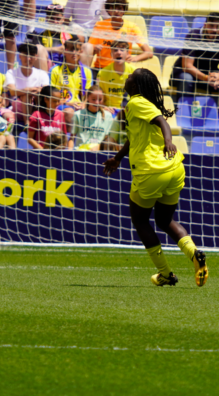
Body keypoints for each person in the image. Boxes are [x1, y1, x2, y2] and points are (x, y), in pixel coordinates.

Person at [102, 68, 209, 287]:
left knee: (140, 220)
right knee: (164, 220)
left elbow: (163, 122)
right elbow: (134, 139)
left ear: (134, 87)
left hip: (153, 170)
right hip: (174, 168)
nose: (127, 76)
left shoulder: (135, 102)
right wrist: (118, 158)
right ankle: (194, 253)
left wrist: (169, 141)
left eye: (130, 76)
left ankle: (165, 274)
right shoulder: (139, 107)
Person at [173, 12, 219, 99]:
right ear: (205, 25)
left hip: (209, 74)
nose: (214, 30)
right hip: (187, 73)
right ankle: (182, 111)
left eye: (218, 27)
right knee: (186, 78)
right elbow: (187, 66)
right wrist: (206, 78)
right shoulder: (193, 35)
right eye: (211, 26)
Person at [83, 0, 153, 69]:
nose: (116, 11)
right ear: (108, 11)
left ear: (124, 10)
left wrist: (134, 58)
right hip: (101, 68)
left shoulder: (132, 27)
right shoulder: (100, 25)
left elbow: (149, 53)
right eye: (113, 8)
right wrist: (95, 49)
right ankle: (85, 76)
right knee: (86, 46)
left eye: (119, 8)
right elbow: (90, 50)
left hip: (122, 68)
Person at [4, 42, 50, 120]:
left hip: (36, 103)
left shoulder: (42, 74)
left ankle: (38, 121)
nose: (28, 59)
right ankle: (27, 125)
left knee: (38, 95)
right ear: (20, 56)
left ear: (36, 57)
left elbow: (46, 91)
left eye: (31, 55)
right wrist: (28, 90)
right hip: (18, 106)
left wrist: (35, 91)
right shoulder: (11, 73)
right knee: (26, 95)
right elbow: (12, 92)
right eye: (25, 55)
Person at [72, 85, 118, 151]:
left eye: (100, 99)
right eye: (93, 99)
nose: (97, 102)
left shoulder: (108, 116)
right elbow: (71, 138)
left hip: (99, 152)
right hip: (81, 152)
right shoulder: (78, 114)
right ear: (87, 98)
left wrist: (98, 147)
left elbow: (108, 140)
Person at [98, 40, 137, 111]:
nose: (119, 52)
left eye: (122, 50)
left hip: (129, 110)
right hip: (110, 111)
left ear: (128, 53)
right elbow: (99, 97)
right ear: (111, 54)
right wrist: (104, 108)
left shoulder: (134, 72)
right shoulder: (102, 73)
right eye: (115, 50)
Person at [26, 85, 66, 149]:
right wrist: (43, 151)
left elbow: (64, 138)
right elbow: (30, 139)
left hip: (57, 155)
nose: (57, 103)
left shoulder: (61, 114)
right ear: (46, 99)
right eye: (54, 101)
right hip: (41, 154)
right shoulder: (36, 115)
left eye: (59, 101)